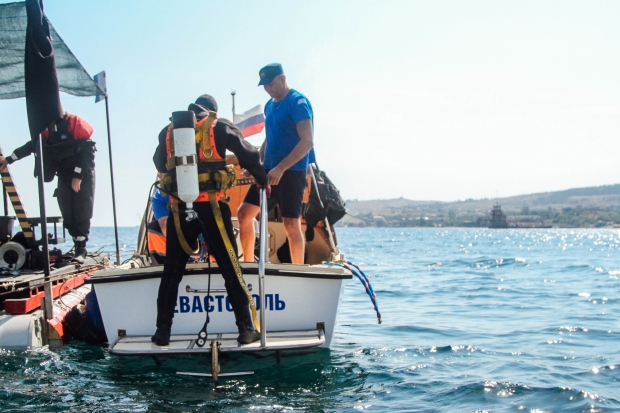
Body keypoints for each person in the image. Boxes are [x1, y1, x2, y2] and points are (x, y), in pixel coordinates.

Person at [151, 94, 269, 346]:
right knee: (230, 268)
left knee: (172, 271)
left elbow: (158, 162)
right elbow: (249, 155)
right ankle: (246, 329)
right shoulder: (220, 126)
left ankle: (162, 333)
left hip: (178, 211)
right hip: (213, 208)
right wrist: (262, 179)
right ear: (211, 112)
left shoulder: (169, 131)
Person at [237, 63, 315, 264]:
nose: (268, 89)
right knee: (244, 214)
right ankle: (247, 264)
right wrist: (256, 163)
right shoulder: (269, 105)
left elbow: (307, 141)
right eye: (264, 85)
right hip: (268, 171)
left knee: (290, 224)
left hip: (291, 172)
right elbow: (269, 138)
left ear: (282, 78)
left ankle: (298, 269)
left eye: (271, 84)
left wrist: (281, 168)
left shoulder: (298, 102)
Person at [0, 111, 96, 264]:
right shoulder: (46, 130)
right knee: (67, 211)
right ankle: (76, 242)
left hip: (82, 174)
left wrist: (78, 175)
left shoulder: (74, 123)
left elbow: (88, 152)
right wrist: (9, 159)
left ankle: (81, 248)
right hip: (64, 174)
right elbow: (31, 146)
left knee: (82, 209)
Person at [146, 188, 169, 265]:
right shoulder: (159, 196)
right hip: (179, 233)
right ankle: (164, 265)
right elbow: (165, 227)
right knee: (153, 229)